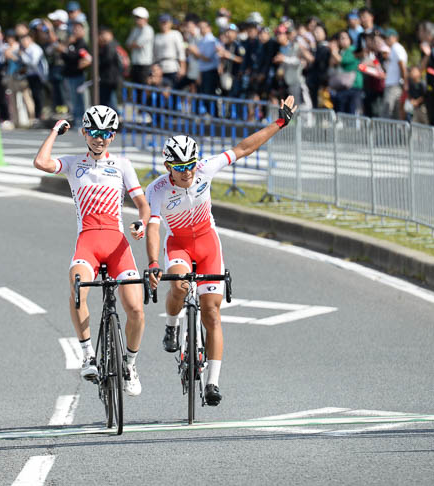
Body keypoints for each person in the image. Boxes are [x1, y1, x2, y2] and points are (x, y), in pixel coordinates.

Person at [145, 97, 296, 406]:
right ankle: (172, 327)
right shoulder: (157, 189)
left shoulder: (205, 169)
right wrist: (151, 262)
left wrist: (279, 122)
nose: (187, 172)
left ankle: (212, 382)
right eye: (179, 167)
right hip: (179, 244)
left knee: (211, 312)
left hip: (207, 240)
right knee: (178, 282)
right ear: (168, 167)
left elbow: (243, 148)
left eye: (190, 165)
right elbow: (153, 227)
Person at [33, 106, 150, 396]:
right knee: (76, 290)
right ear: (85, 133)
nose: (100, 139)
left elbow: (143, 205)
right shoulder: (74, 163)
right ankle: (88, 355)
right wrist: (54, 133)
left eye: (106, 133)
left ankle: (130, 365)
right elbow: (41, 162)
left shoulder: (122, 165)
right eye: (94, 133)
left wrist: (141, 223)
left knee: (136, 308)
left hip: (117, 243)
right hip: (88, 241)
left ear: (112, 135)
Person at [61, 19, 90, 126]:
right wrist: (67, 44)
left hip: (78, 75)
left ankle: (81, 121)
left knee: (80, 100)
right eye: (74, 29)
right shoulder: (70, 42)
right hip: (69, 74)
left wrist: (67, 52)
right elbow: (63, 56)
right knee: (72, 100)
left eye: (78, 29)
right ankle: (76, 119)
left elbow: (74, 57)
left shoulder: (82, 44)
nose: (75, 32)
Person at [330, 30, 363, 114]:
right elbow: (332, 63)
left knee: (351, 110)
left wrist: (333, 51)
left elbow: (342, 61)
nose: (343, 41)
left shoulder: (353, 50)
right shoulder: (341, 51)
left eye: (345, 38)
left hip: (353, 85)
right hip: (343, 86)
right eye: (341, 39)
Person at [153, 14, 185, 87]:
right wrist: (154, 66)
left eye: (166, 22)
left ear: (170, 23)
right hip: (159, 69)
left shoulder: (176, 34)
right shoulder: (157, 36)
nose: (164, 24)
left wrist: (182, 68)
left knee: (173, 91)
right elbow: (154, 54)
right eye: (162, 22)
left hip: (173, 67)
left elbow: (181, 52)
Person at [382, 28, 407, 119]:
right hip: (392, 84)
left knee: (388, 110)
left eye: (388, 37)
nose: (386, 40)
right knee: (393, 111)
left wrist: (405, 81)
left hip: (394, 85)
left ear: (395, 37)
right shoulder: (393, 49)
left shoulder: (397, 48)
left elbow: (402, 64)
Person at [126, 6, 154, 87]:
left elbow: (138, 44)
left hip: (145, 65)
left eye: (139, 17)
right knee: (136, 87)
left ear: (145, 19)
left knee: (144, 88)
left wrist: (134, 44)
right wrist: (134, 44)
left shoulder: (148, 29)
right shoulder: (135, 29)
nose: (137, 19)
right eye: (136, 17)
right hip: (135, 64)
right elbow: (128, 44)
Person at [97, 26, 122, 110]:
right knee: (109, 101)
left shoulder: (110, 46)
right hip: (110, 78)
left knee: (110, 102)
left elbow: (106, 60)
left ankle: (115, 118)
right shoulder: (112, 45)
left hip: (109, 79)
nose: (101, 37)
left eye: (103, 34)